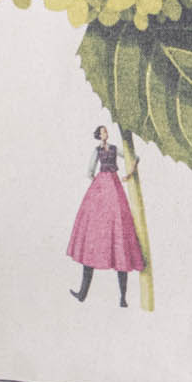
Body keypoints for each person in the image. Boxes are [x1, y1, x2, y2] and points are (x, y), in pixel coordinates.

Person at [67, 125, 144, 307]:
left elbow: (90, 173)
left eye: (105, 131)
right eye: (102, 132)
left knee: (116, 238)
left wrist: (129, 174)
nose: (105, 133)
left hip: (106, 186)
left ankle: (120, 297)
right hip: (111, 186)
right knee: (109, 237)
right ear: (98, 135)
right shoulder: (98, 150)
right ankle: (91, 294)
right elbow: (89, 170)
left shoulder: (114, 149)